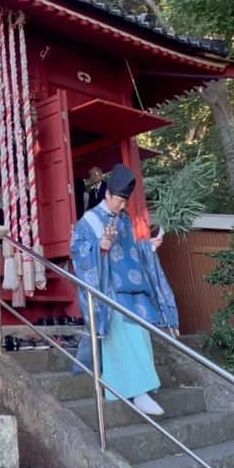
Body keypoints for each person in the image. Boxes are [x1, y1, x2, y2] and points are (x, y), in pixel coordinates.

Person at [70, 164, 178, 417]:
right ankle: (137, 391)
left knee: (140, 334)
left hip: (132, 288)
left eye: (124, 201)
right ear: (107, 194)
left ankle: (139, 386)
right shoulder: (90, 220)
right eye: (118, 200)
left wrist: (148, 246)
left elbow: (131, 251)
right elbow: (78, 252)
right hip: (109, 289)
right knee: (125, 337)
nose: (121, 206)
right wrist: (101, 245)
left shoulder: (124, 218)